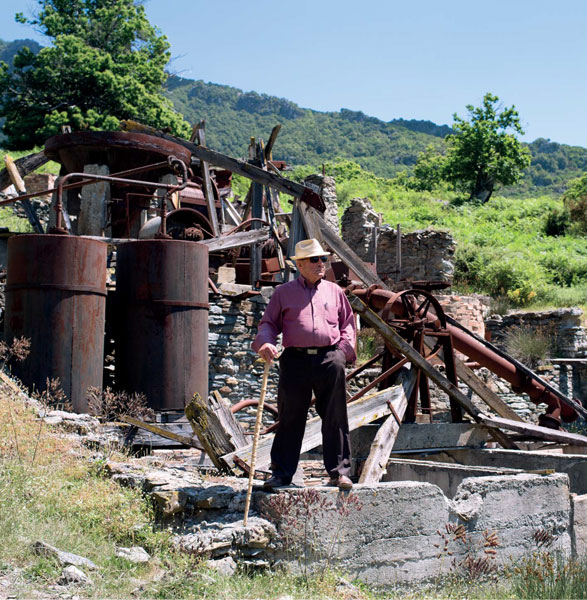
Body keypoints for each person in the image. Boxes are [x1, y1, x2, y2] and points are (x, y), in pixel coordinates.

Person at [252, 238, 357, 491]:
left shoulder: (335, 292)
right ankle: (281, 475)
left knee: (335, 417)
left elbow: (348, 325)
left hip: (329, 359)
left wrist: (342, 353)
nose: (321, 263)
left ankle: (340, 473)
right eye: (315, 259)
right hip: (295, 359)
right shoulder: (283, 293)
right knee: (290, 417)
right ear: (299, 264)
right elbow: (268, 324)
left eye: (324, 259)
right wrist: (265, 344)